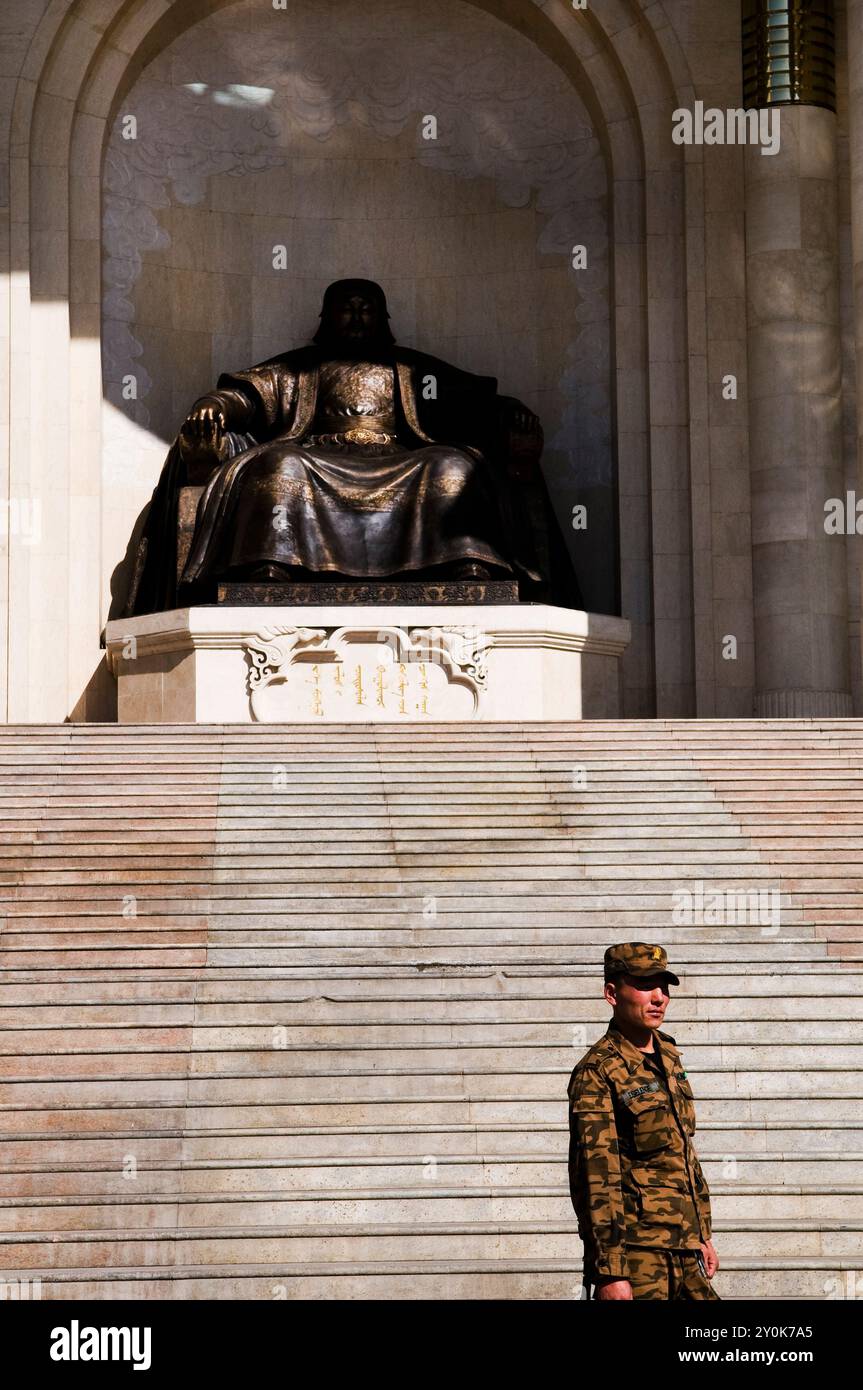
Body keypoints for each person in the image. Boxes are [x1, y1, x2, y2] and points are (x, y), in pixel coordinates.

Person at [124, 278, 582, 615]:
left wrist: (509, 416)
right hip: (317, 455)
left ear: (384, 320)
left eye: (367, 309)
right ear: (326, 319)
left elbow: (474, 402)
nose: (358, 317)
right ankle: (272, 564)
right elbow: (246, 395)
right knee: (279, 465)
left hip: (399, 457)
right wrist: (213, 406)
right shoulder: (301, 369)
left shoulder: (412, 371)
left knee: (452, 467)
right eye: (347, 309)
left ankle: (467, 563)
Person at [567, 942, 721, 1300]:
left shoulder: (668, 1055)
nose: (659, 998)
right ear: (611, 993)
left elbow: (683, 1153)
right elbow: (596, 1176)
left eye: (664, 987)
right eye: (644, 985)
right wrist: (609, 1272)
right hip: (637, 1256)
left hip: (685, 1247)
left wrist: (703, 1232)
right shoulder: (598, 1071)